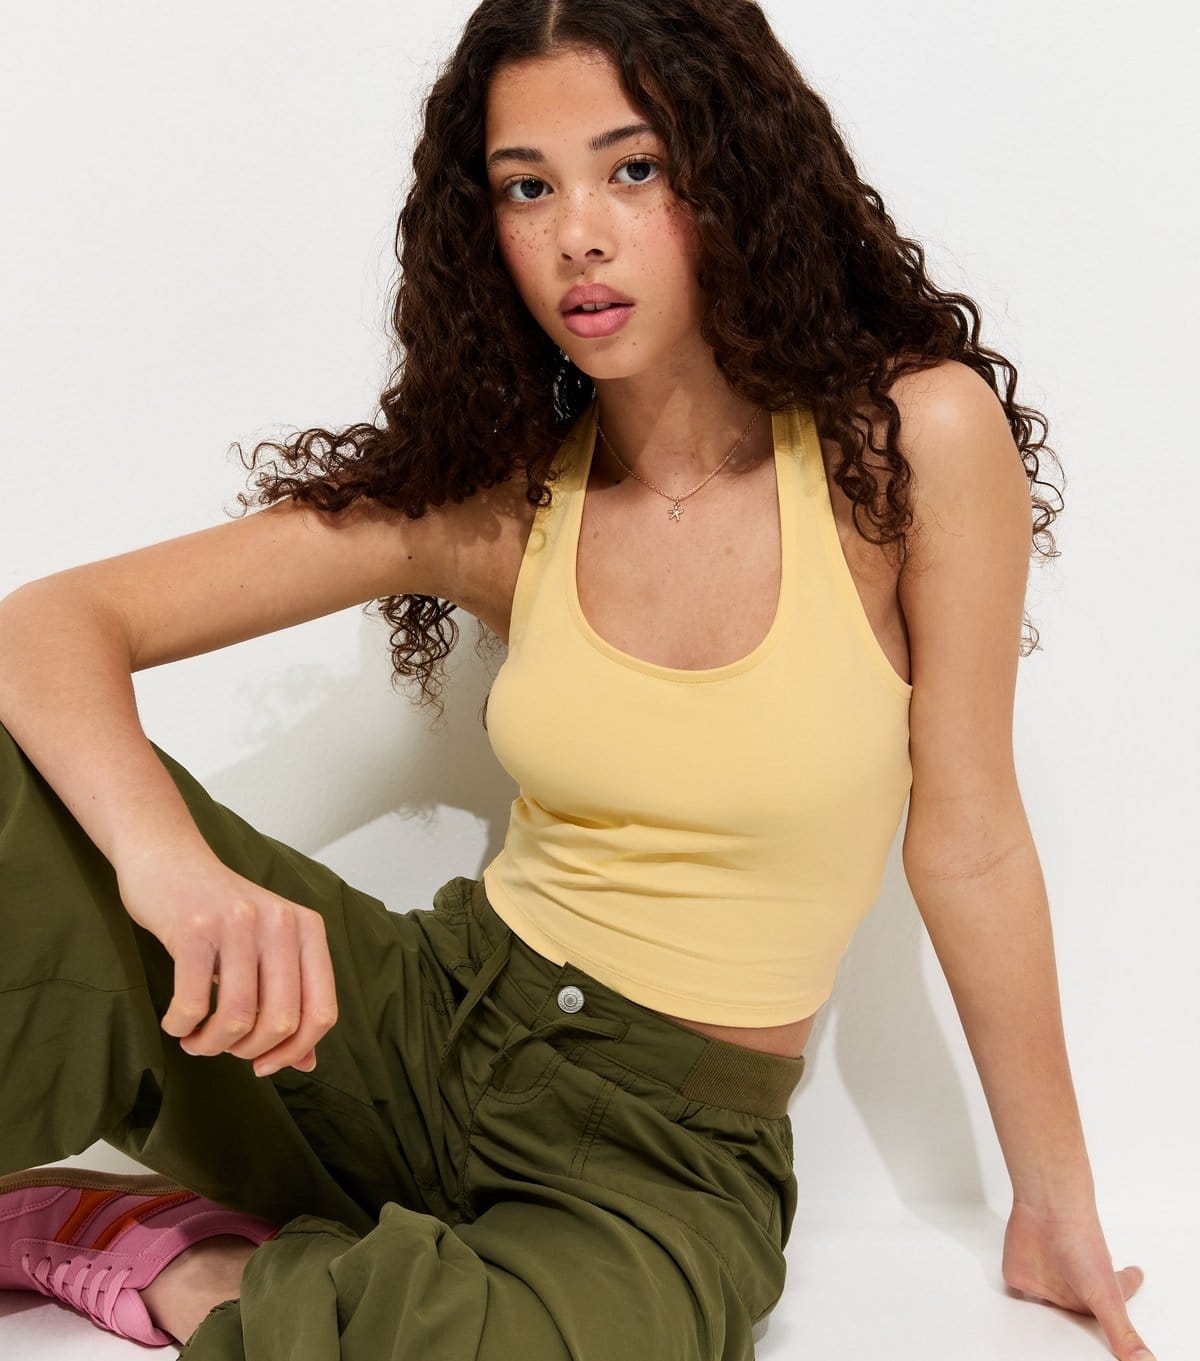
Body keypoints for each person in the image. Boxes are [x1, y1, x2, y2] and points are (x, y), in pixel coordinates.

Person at [0, 2, 1155, 1359]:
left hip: (666, 1157)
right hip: (422, 1031)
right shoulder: (506, 501)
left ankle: (182, 1263)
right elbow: (48, 624)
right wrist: (171, 871)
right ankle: (360, 1266)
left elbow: (972, 839)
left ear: (738, 173)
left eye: (634, 168)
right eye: (527, 188)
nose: (578, 237)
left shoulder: (907, 443)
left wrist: (1052, 1199)